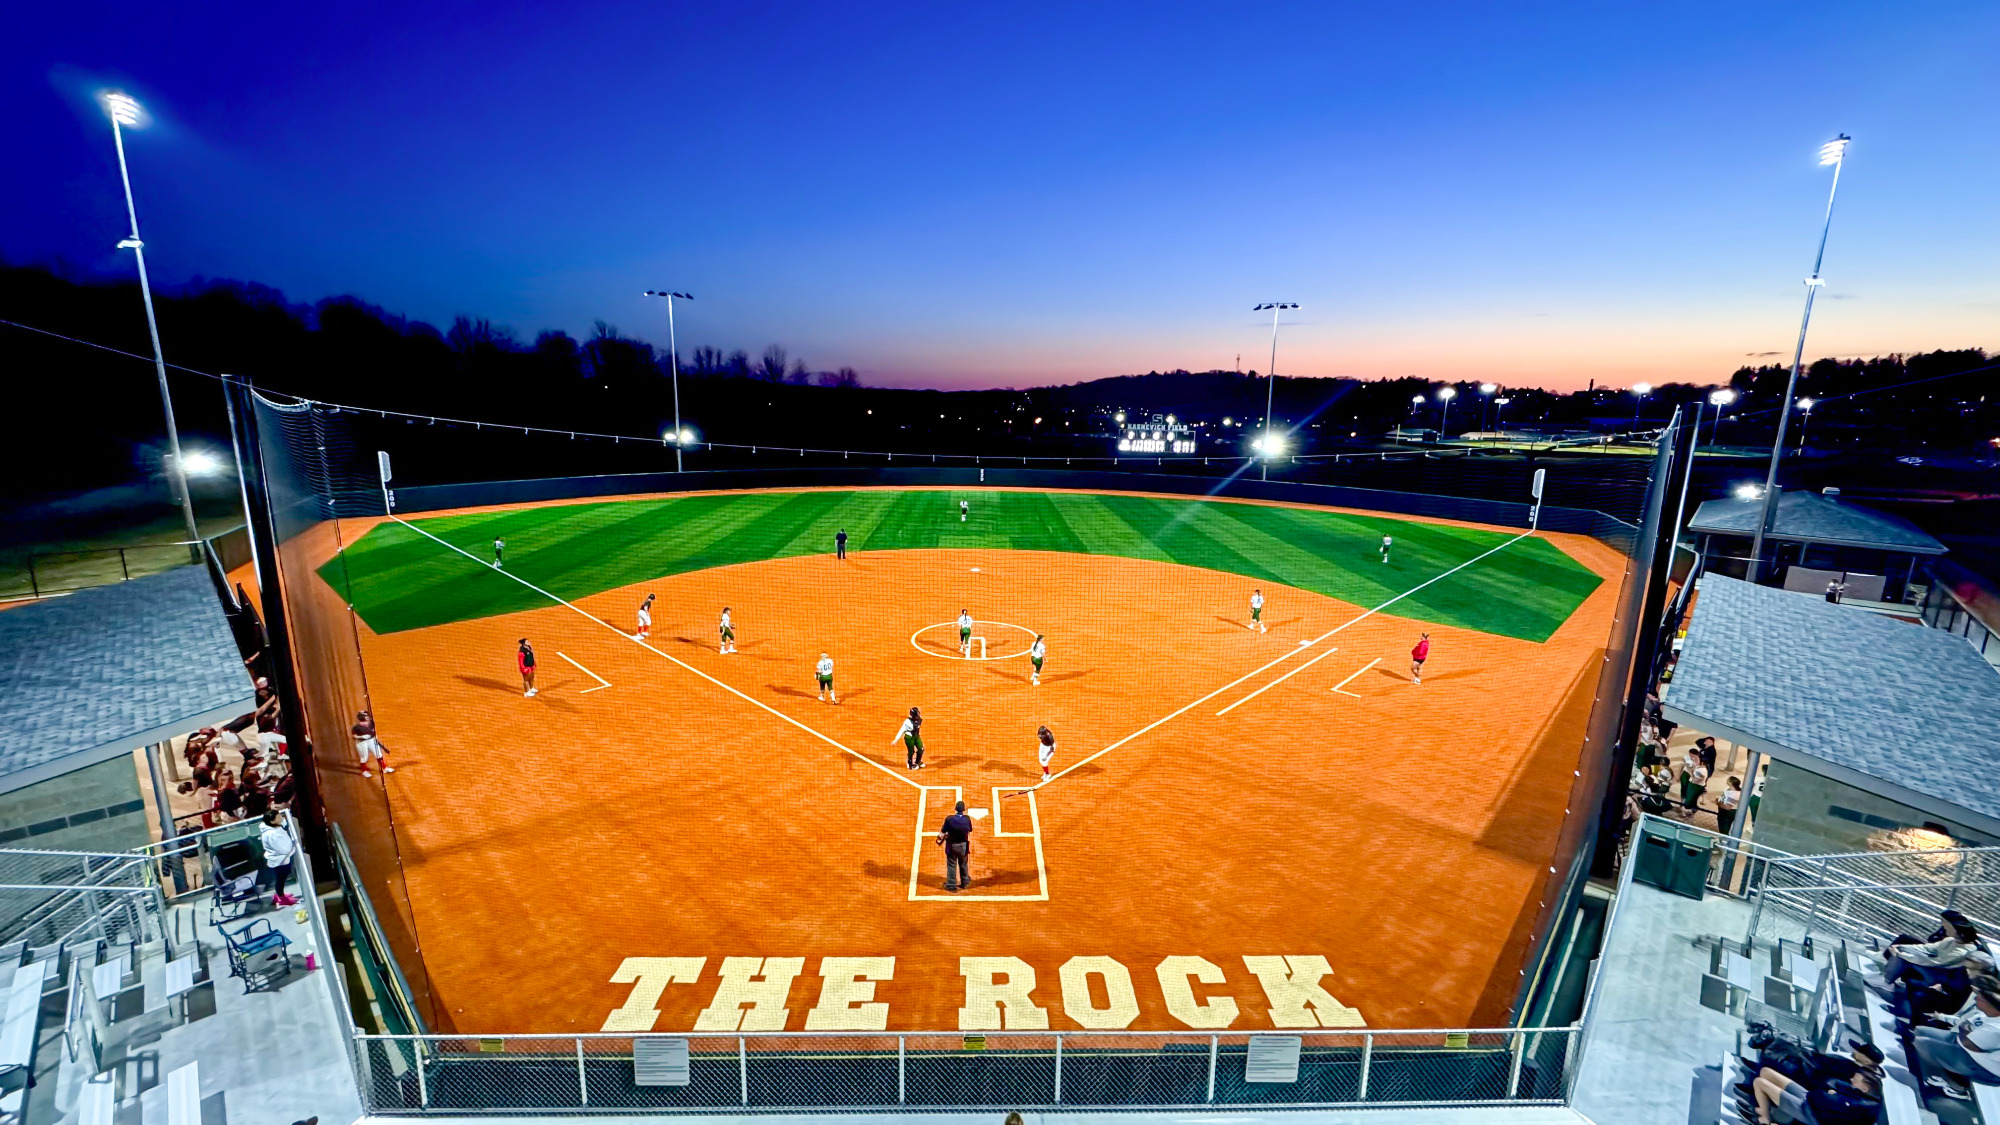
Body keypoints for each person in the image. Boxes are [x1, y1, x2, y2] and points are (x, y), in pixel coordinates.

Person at [1912, 983, 2000, 1098]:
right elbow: (1962, 1024)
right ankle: (1949, 1071)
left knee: (1921, 1044)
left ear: (1992, 1007)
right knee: (1919, 1031)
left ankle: (1957, 1086)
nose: (1975, 998)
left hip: (1981, 1066)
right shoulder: (1985, 1014)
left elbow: (1969, 1044)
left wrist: (1965, 1028)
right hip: (1961, 1043)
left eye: (1981, 999)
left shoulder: (1996, 1028)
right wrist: (1940, 1017)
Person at [1742, 1058, 1882, 1125]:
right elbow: (1830, 1093)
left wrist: (1829, 1094)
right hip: (1812, 1099)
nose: (1852, 1079)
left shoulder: (1858, 1107)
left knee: (1759, 1083)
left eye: (1856, 1079)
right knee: (1766, 1072)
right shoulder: (1861, 1095)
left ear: (1865, 1088)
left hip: (1811, 1113)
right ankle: (1763, 1109)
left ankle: (1764, 1119)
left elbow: (1826, 1098)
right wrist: (1830, 1094)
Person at [258, 808, 299, 907]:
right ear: (272, 821)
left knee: (281, 878)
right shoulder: (272, 834)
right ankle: (281, 897)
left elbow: (283, 824)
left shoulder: (274, 826)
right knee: (280, 879)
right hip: (279, 861)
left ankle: (280, 894)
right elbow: (282, 849)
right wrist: (293, 847)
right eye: (278, 817)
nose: (281, 817)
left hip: (282, 859)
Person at [937, 800, 973, 893]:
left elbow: (942, 833)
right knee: (963, 863)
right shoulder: (967, 819)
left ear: (956, 809)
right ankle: (964, 882)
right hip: (963, 846)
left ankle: (951, 884)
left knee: (951, 864)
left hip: (952, 846)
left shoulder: (949, 819)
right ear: (963, 809)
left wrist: (939, 838)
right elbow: (969, 830)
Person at [354, 710, 393, 777]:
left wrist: (375, 737)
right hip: (361, 743)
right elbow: (354, 736)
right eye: (366, 716)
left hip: (371, 740)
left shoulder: (371, 723)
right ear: (362, 718)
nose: (368, 717)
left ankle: (385, 768)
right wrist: (361, 737)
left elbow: (373, 730)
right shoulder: (356, 727)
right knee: (364, 757)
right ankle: (364, 771)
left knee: (379, 754)